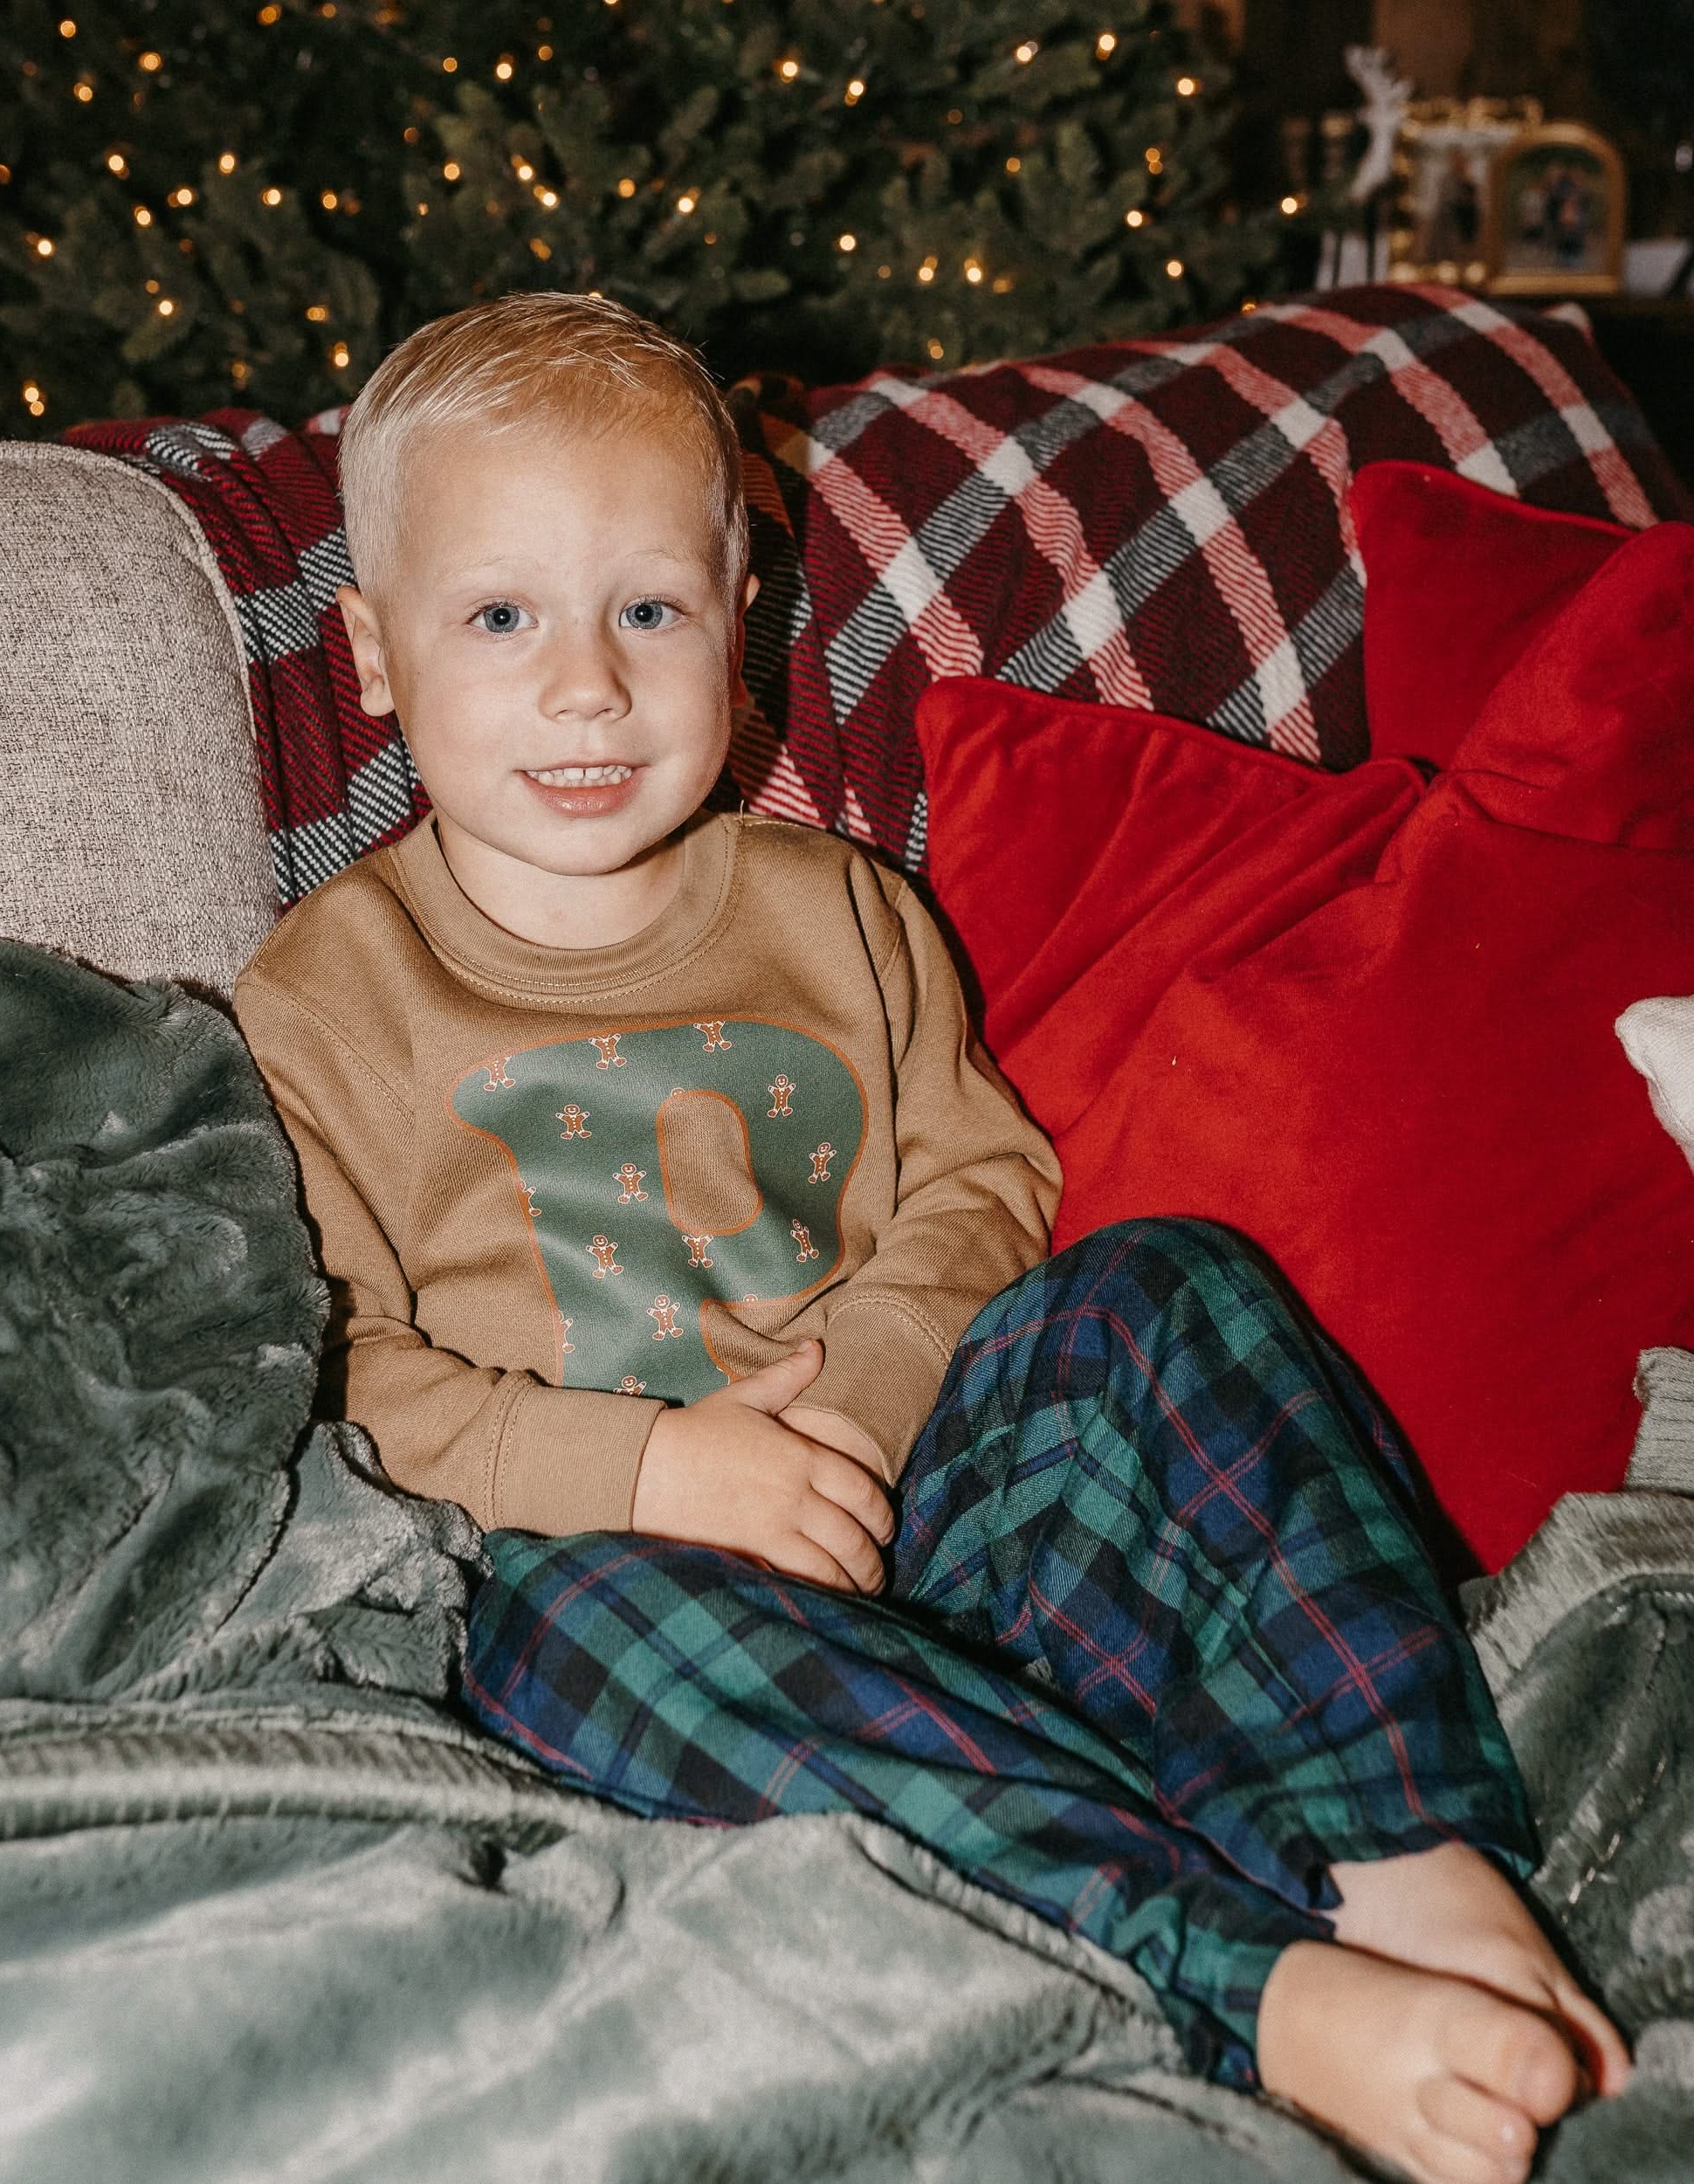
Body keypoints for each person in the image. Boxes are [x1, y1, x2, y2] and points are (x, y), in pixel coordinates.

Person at [233, 292, 1630, 2184]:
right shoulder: (324, 996)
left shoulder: (840, 912)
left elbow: (984, 1190)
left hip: (938, 1511)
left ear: (741, 620)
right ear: (373, 654)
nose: (586, 689)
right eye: (501, 619)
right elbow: (338, 1373)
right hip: (651, 1618)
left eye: (648, 611)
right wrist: (653, 1470)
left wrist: (866, 1408)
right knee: (560, 1619)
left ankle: (1402, 1850)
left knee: (1159, 1284)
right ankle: (1246, 1974)